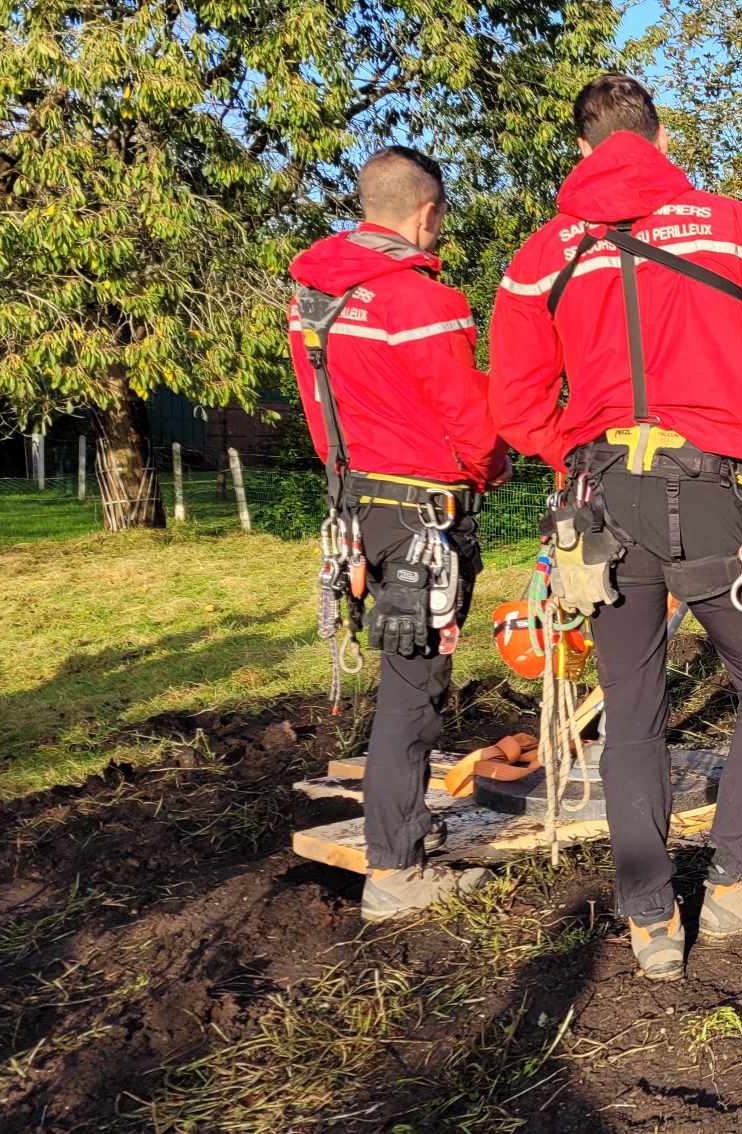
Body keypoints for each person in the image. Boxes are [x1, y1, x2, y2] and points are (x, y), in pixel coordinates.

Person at [488, 75, 742, 980]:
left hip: (600, 508)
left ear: (583, 147)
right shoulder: (731, 227)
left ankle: (649, 926)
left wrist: (581, 454)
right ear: (660, 135)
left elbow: (515, 402)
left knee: (631, 719)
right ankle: (733, 883)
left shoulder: (542, 255)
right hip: (712, 494)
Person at [286, 146, 509, 921]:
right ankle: (397, 868)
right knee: (414, 695)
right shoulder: (422, 301)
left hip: (358, 510)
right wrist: (496, 466)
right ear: (426, 213)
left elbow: (327, 414)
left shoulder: (312, 298)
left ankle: (395, 846)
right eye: (441, 219)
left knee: (401, 682)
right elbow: (467, 416)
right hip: (426, 521)